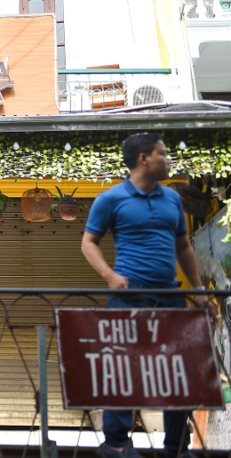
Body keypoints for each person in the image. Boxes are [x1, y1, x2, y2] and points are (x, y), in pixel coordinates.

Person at [81, 133, 215, 458]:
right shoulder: (110, 199)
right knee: (125, 367)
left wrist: (198, 292)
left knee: (175, 369)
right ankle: (116, 443)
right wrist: (109, 276)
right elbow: (88, 243)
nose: (169, 160)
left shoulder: (171, 199)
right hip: (129, 298)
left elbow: (183, 246)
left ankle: (177, 447)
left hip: (169, 296)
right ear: (144, 158)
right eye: (163, 154)